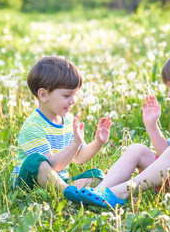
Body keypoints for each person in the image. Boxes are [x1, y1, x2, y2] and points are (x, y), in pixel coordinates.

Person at [65, 47, 170, 208]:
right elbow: (165, 154)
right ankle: (99, 192)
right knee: (137, 149)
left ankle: (118, 193)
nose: (169, 94)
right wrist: (152, 126)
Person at [11, 56, 111, 198]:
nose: (73, 101)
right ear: (44, 95)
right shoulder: (33, 127)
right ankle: (67, 192)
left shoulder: (68, 121)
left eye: (75, 94)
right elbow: (51, 166)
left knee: (98, 175)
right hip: (29, 184)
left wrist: (99, 142)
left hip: (59, 181)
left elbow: (79, 157)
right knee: (36, 161)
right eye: (67, 95)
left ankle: (68, 192)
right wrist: (75, 143)